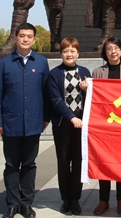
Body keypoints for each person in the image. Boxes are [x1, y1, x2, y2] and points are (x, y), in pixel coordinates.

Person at [0, 23, 50, 218]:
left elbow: (46, 92)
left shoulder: (41, 62)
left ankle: (26, 203)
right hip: (10, 123)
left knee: (29, 164)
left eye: (29, 36)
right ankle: (12, 203)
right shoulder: (4, 63)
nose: (25, 39)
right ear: (16, 38)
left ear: (34, 39)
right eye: (22, 35)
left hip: (33, 123)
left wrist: (46, 117)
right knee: (11, 164)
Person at [45, 37, 91, 215]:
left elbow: (93, 97)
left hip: (81, 124)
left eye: (72, 51)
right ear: (61, 54)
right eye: (66, 51)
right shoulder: (54, 74)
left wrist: (88, 90)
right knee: (64, 161)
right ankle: (66, 199)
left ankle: (76, 199)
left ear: (78, 53)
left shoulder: (85, 72)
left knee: (79, 161)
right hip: (63, 123)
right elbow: (55, 100)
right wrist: (71, 117)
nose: (69, 54)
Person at [91, 37, 121, 216]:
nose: (113, 51)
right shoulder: (97, 72)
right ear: (105, 52)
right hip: (103, 126)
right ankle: (103, 199)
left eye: (116, 48)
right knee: (103, 163)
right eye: (109, 48)